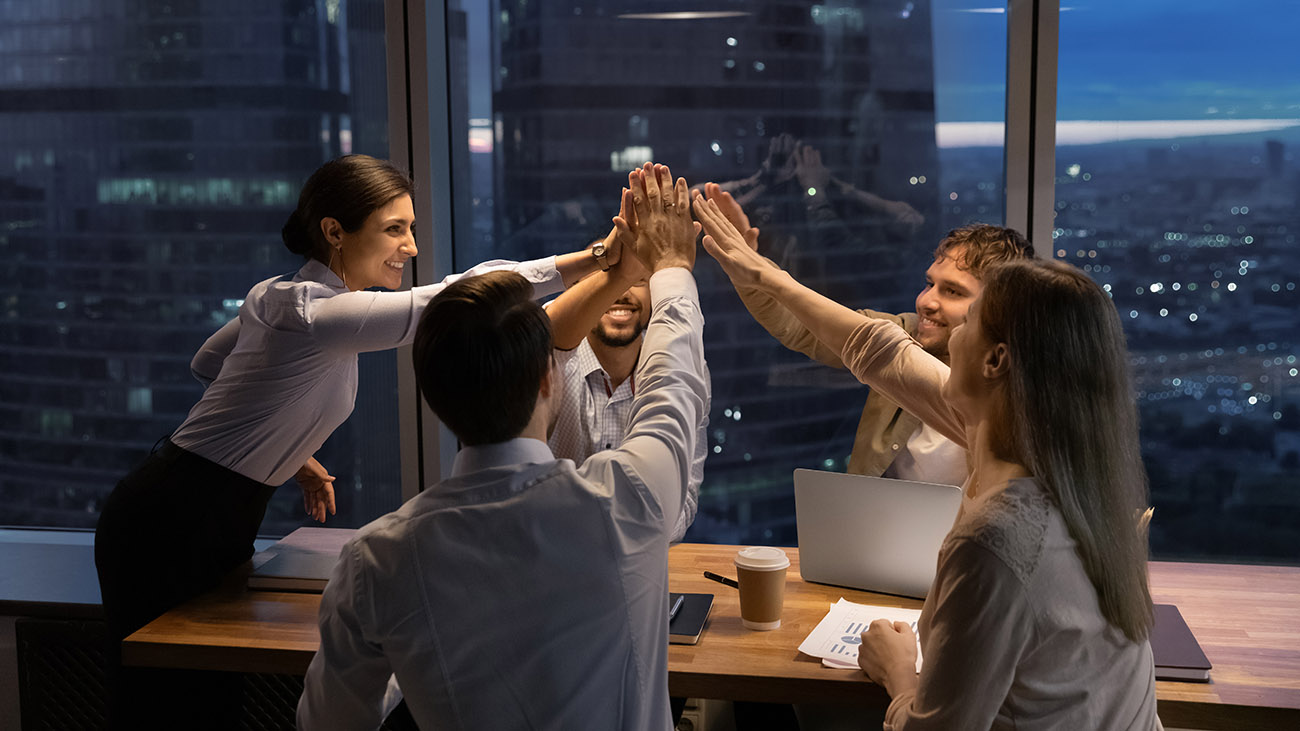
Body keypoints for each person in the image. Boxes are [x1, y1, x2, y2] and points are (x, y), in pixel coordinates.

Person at [94, 154, 617, 729]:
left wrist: (288, 451)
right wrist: (599, 258)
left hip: (211, 510)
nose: (411, 246)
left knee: (205, 703)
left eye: (411, 227)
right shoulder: (312, 312)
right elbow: (458, 297)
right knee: (160, 706)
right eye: (395, 229)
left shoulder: (278, 299)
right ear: (334, 232)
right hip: (168, 517)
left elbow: (208, 363)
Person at [696, 194, 1161, 729]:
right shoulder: (1070, 471)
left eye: (971, 314)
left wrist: (900, 675)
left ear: (996, 360)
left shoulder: (998, 539)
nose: (929, 315)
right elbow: (878, 350)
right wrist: (759, 272)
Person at [297, 162, 708, 729]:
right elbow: (674, 381)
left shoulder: (376, 563)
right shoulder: (629, 498)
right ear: (549, 378)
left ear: (435, 398)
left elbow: (328, 723)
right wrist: (672, 268)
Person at [706, 181, 1032, 486]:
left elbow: (871, 344)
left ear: (999, 309)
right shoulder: (907, 331)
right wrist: (744, 266)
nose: (927, 302)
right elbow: (800, 324)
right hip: (878, 537)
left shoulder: (1028, 398)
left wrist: (760, 272)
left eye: (953, 292)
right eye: (929, 284)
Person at [545, 192, 709, 542]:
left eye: (637, 280)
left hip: (639, 569)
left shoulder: (679, 363)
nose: (623, 293)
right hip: (557, 559)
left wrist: (621, 541)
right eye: (608, 281)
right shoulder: (549, 365)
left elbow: (685, 499)